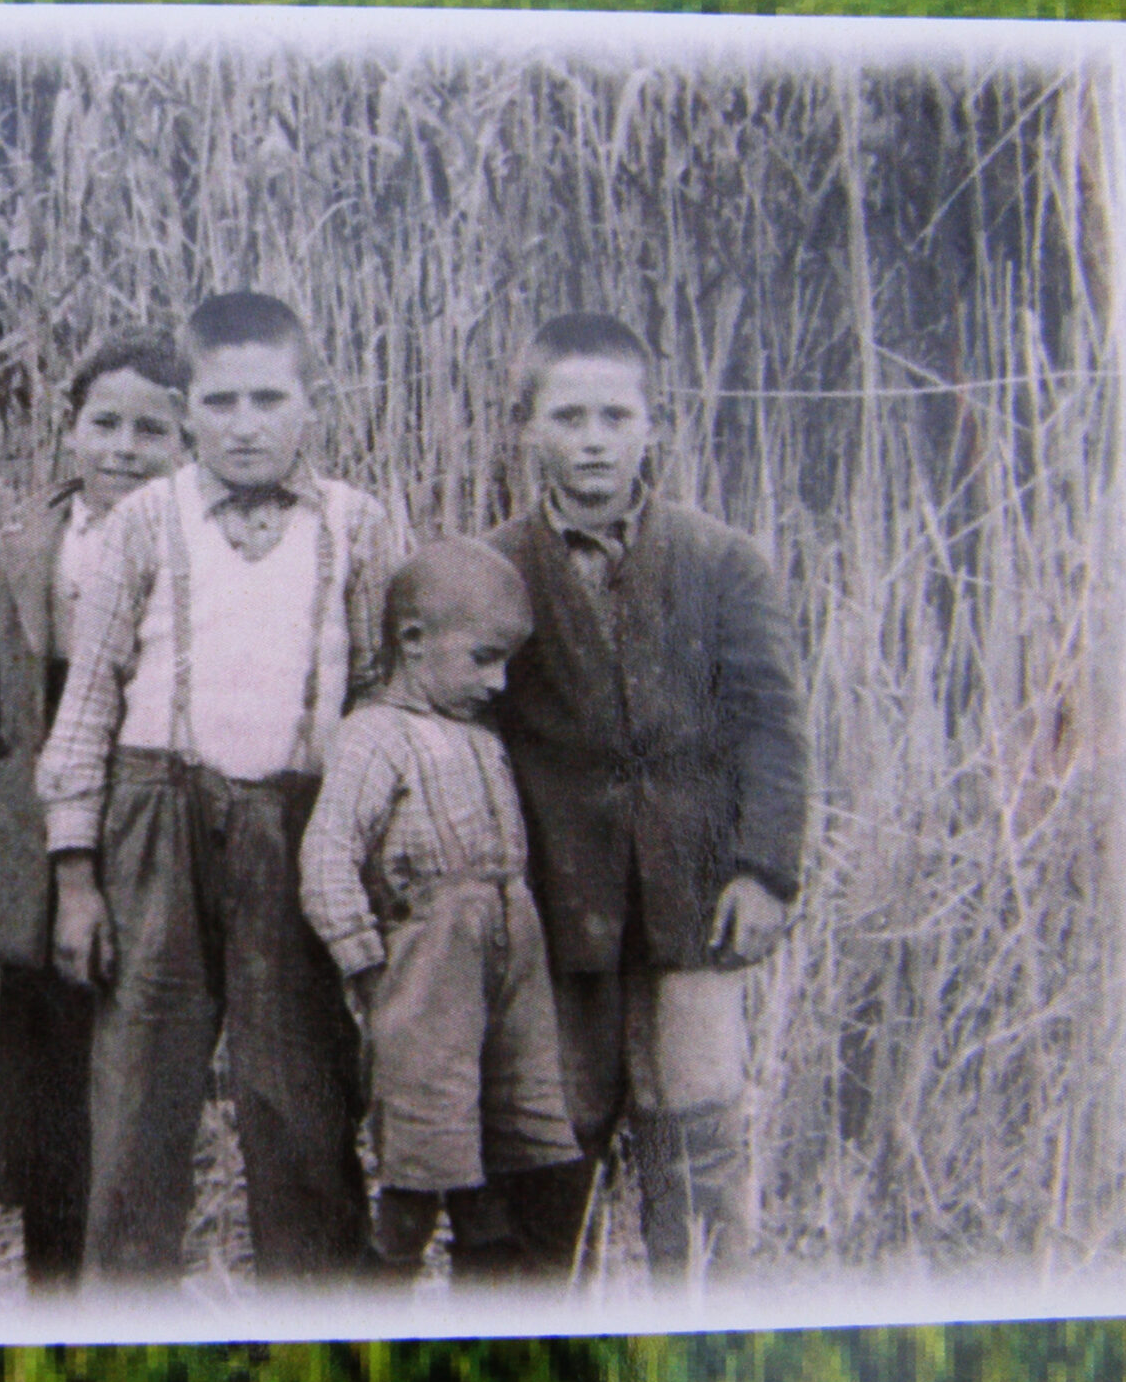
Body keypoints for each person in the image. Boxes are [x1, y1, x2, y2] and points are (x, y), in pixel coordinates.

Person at [36, 290, 398, 1284]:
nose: (243, 426)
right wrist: (75, 874)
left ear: (313, 405)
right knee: (139, 1096)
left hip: (298, 829)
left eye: (268, 401)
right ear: (186, 410)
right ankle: (127, 1335)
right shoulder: (145, 521)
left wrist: (365, 851)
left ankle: (315, 1333)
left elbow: (377, 696)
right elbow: (88, 702)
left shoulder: (358, 525)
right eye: (219, 402)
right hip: (156, 821)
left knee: (300, 1092)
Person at [484, 314, 809, 1284]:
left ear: (653, 426)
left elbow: (772, 728)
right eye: (568, 417)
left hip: (692, 904)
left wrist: (764, 873)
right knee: (555, 1133)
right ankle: (548, 1321)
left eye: (615, 417)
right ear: (526, 427)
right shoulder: (494, 570)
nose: (593, 441)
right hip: (555, 911)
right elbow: (470, 737)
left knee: (698, 1131)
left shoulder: (723, 563)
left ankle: (701, 1314)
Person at [0, 328, 191, 1290]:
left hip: (146, 827)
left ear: (186, 442)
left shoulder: (196, 550)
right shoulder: (16, 557)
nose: (125, 449)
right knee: (48, 1080)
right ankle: (51, 1299)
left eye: (152, 431)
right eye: (105, 424)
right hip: (39, 842)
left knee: (131, 1078)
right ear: (70, 429)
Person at [297, 539, 579, 1283]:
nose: (498, 681)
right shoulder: (373, 736)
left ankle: (487, 1306)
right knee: (424, 1151)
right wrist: (368, 967)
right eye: (483, 659)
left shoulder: (482, 737)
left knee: (501, 1143)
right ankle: (378, 1306)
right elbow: (326, 859)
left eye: (507, 663)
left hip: (510, 964)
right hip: (428, 971)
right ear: (413, 640)